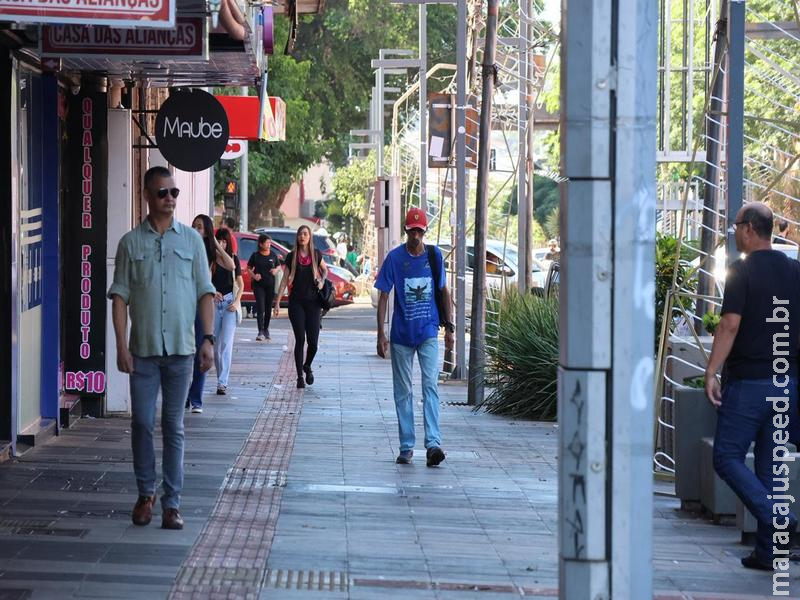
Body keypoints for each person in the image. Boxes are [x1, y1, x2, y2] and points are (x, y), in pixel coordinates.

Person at [108, 166, 216, 531]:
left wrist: (208, 339)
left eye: (174, 192)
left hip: (182, 351)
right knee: (141, 422)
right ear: (146, 196)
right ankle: (145, 494)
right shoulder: (130, 244)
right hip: (143, 351)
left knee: (173, 426)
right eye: (162, 193)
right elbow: (119, 297)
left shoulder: (192, 242)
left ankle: (172, 503)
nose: (170, 199)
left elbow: (205, 292)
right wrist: (120, 345)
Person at [704, 202, 800, 571]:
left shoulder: (741, 271)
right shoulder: (794, 271)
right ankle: (769, 552)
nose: (734, 233)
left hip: (750, 383)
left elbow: (729, 324)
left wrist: (711, 371)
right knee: (770, 469)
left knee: (726, 457)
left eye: (735, 227)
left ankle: (779, 517)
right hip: (786, 382)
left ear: (749, 229)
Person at [375, 207, 454, 467]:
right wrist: (380, 334)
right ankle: (406, 446)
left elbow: (443, 291)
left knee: (430, 386)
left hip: (428, 331)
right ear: (406, 231)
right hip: (401, 335)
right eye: (412, 231)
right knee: (403, 391)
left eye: (420, 231)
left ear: (425, 231)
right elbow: (384, 295)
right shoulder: (395, 258)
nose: (416, 236)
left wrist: (450, 328)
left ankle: (433, 444)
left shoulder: (434, 255)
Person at [185, 214, 235, 413]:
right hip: (183, 304)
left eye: (200, 227)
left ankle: (195, 400)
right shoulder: (185, 247)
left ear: (206, 231)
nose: (196, 230)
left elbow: (231, 265)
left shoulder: (211, 254)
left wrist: (215, 242)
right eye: (194, 226)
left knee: (202, 350)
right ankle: (185, 395)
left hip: (202, 306)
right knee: (184, 352)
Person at [274, 225, 328, 389]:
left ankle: (307, 365)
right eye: (300, 234)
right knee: (300, 339)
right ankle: (299, 377)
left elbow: (325, 271)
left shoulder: (316, 254)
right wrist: (277, 302)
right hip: (296, 303)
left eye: (305, 234)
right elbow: (284, 280)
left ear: (310, 237)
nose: (302, 236)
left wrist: (322, 281)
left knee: (313, 343)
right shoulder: (292, 256)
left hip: (313, 303)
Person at [212, 228, 244, 395]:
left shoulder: (233, 259)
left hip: (230, 303)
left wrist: (237, 301)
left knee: (226, 344)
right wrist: (213, 292)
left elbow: (241, 284)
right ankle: (220, 377)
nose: (222, 244)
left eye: (225, 241)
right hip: (214, 303)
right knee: (216, 346)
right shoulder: (211, 259)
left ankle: (222, 382)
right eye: (219, 240)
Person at [248, 233, 281, 341]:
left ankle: (266, 329)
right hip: (259, 286)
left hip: (270, 285)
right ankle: (260, 331)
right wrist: (254, 276)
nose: (269, 245)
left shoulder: (273, 255)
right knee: (260, 307)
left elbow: (279, 266)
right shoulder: (255, 255)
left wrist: (275, 270)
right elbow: (248, 268)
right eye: (267, 243)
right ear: (261, 244)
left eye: (270, 243)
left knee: (268, 308)